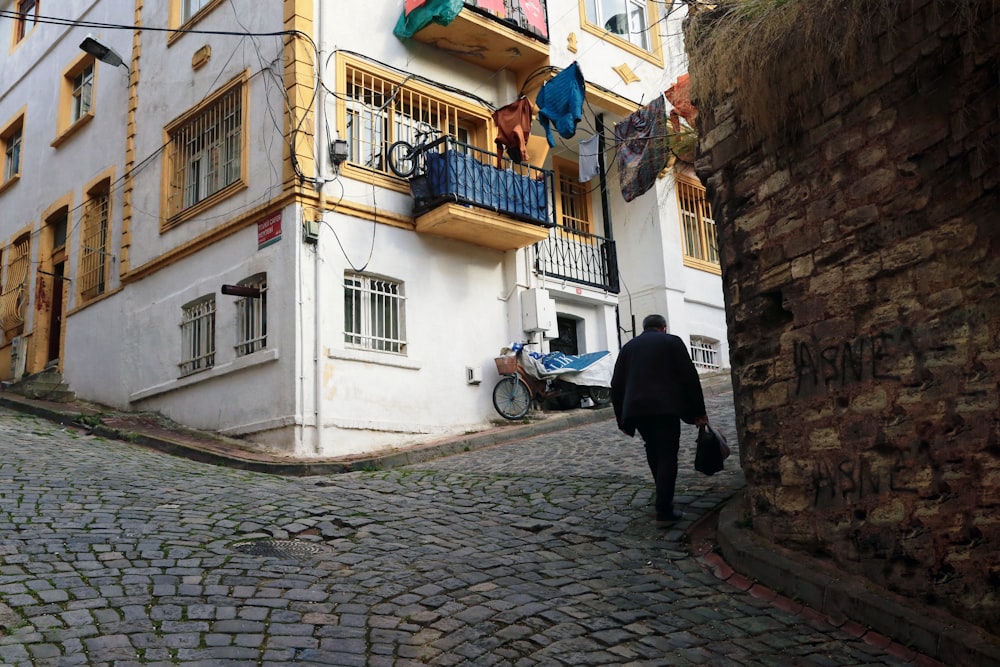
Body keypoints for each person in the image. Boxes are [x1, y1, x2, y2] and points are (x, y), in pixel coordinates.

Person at [611, 314, 708, 525]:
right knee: (667, 454)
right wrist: (698, 411)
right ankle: (664, 509)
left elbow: (617, 384)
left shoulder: (628, 348)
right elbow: (689, 377)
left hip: (637, 411)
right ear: (664, 328)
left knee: (653, 450)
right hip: (666, 409)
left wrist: (623, 420)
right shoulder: (671, 342)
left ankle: (662, 495)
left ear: (644, 328)